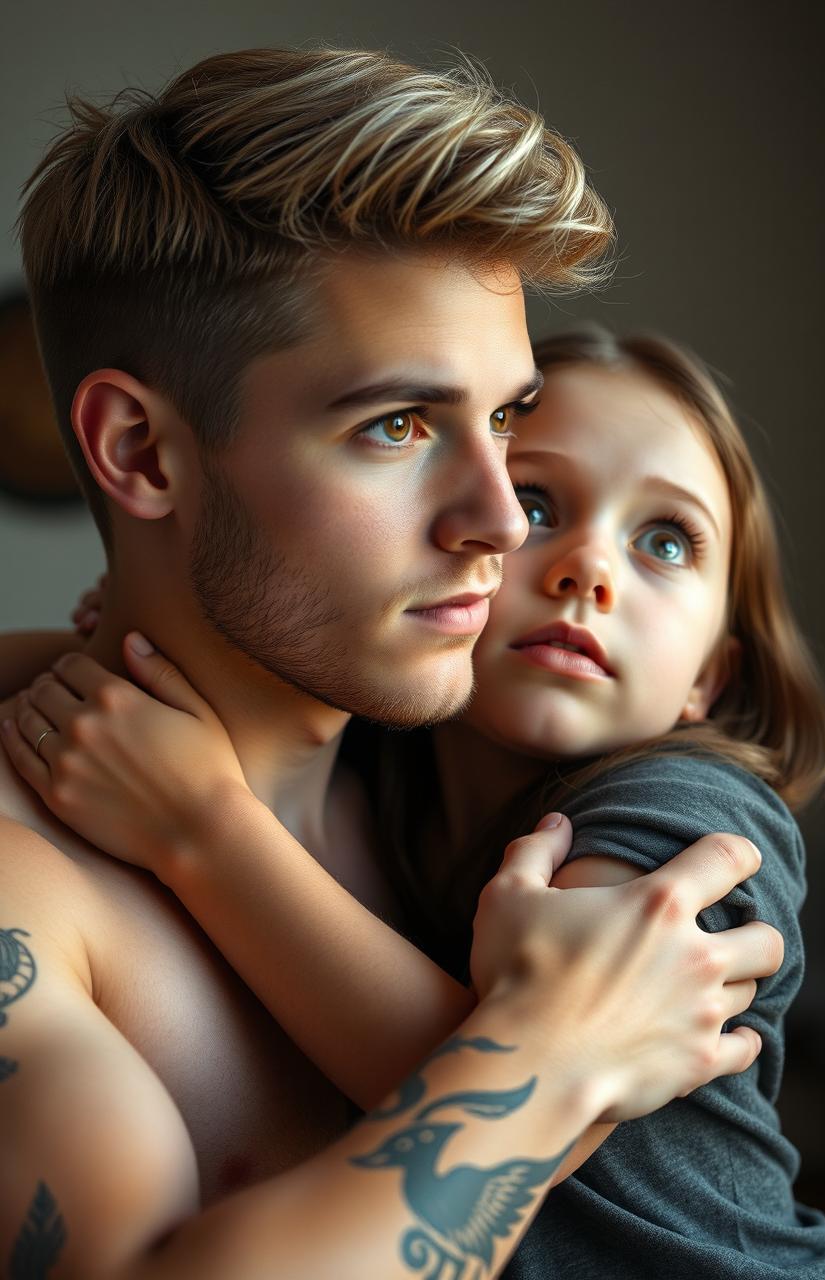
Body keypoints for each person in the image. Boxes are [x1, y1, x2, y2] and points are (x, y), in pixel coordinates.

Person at [0, 46, 781, 1279]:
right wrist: (551, 1057)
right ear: (143, 452)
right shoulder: (25, 888)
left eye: (507, 418)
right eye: (398, 426)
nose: (500, 517)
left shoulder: (482, 791)